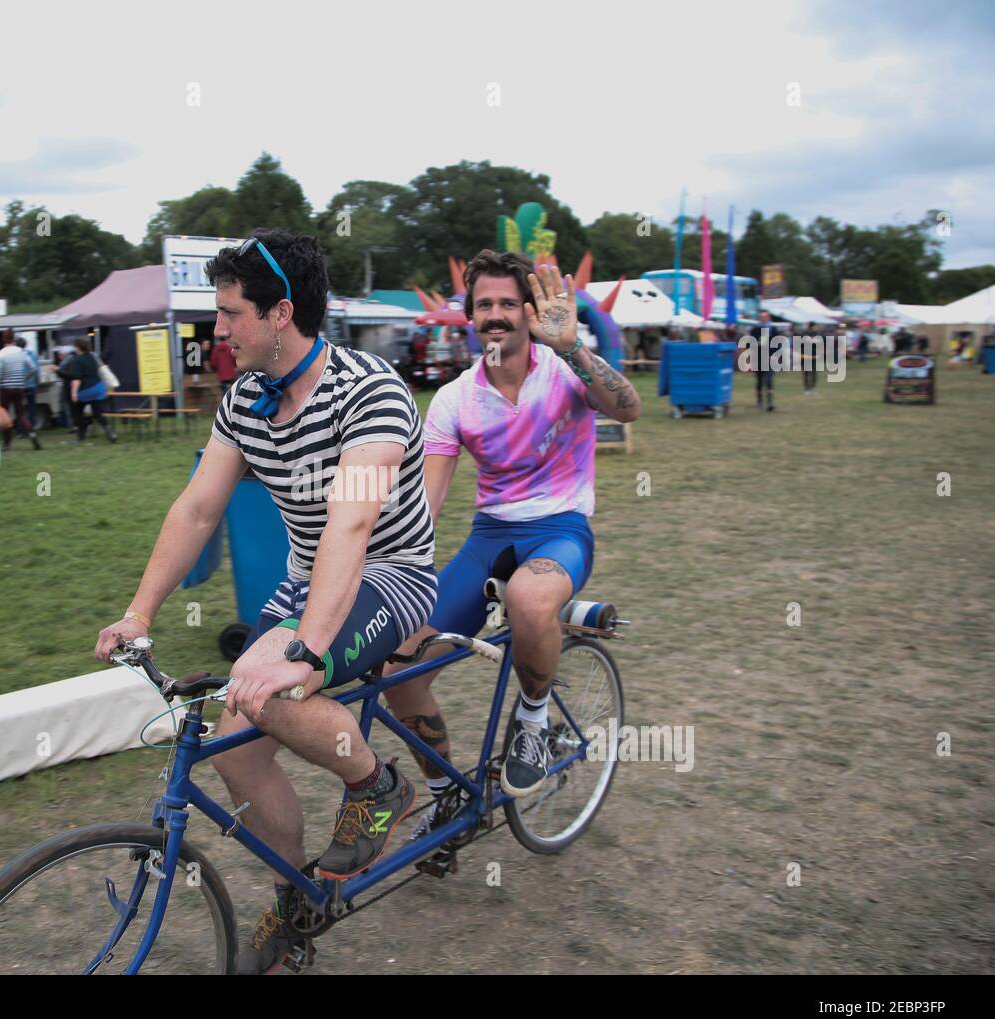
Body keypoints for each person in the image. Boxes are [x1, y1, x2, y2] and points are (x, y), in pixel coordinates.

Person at [93, 229, 437, 974]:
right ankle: (296, 898)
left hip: (391, 572)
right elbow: (195, 509)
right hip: (308, 576)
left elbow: (352, 521)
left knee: (266, 683)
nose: (217, 330)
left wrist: (303, 652)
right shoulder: (245, 399)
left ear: (280, 313)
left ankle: (379, 784)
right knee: (237, 747)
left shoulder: (370, 389)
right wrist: (140, 612)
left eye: (229, 313)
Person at [382, 250, 639, 835]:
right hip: (489, 539)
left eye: (506, 302)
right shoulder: (453, 400)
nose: (496, 314)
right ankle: (447, 794)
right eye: (484, 304)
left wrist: (574, 346)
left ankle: (534, 722)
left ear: (527, 309)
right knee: (398, 665)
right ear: (471, 316)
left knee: (528, 599)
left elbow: (628, 409)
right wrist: (385, 567)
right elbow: (426, 501)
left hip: (561, 529)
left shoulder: (566, 368)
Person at [56, 337, 116, 443]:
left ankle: (81, 436)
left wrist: (74, 393)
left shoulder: (76, 360)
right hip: (98, 388)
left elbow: (76, 379)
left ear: (77, 347)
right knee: (98, 414)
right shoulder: (93, 357)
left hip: (85, 390)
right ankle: (110, 432)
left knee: (77, 413)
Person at [0, 328, 41, 450]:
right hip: (19, 387)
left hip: (5, 388)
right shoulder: (22, 352)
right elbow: (33, 368)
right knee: (21, 414)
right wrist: (24, 379)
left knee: (6, 416)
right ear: (14, 338)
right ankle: (32, 433)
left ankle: (7, 444)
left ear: (3, 339)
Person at [750, 310, 776, 411]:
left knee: (769, 380)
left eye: (765, 317)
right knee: (759, 381)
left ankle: (770, 403)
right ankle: (760, 401)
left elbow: (778, 343)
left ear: (768, 318)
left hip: (770, 358)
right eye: (761, 317)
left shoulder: (773, 329)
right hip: (758, 358)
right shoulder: (755, 329)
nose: (763, 319)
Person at [17, 336, 40, 429]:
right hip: (31, 385)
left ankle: (21, 429)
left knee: (19, 408)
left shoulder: (15, 356)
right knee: (32, 408)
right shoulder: (32, 354)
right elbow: (36, 370)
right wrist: (37, 382)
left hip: (20, 386)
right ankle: (32, 428)